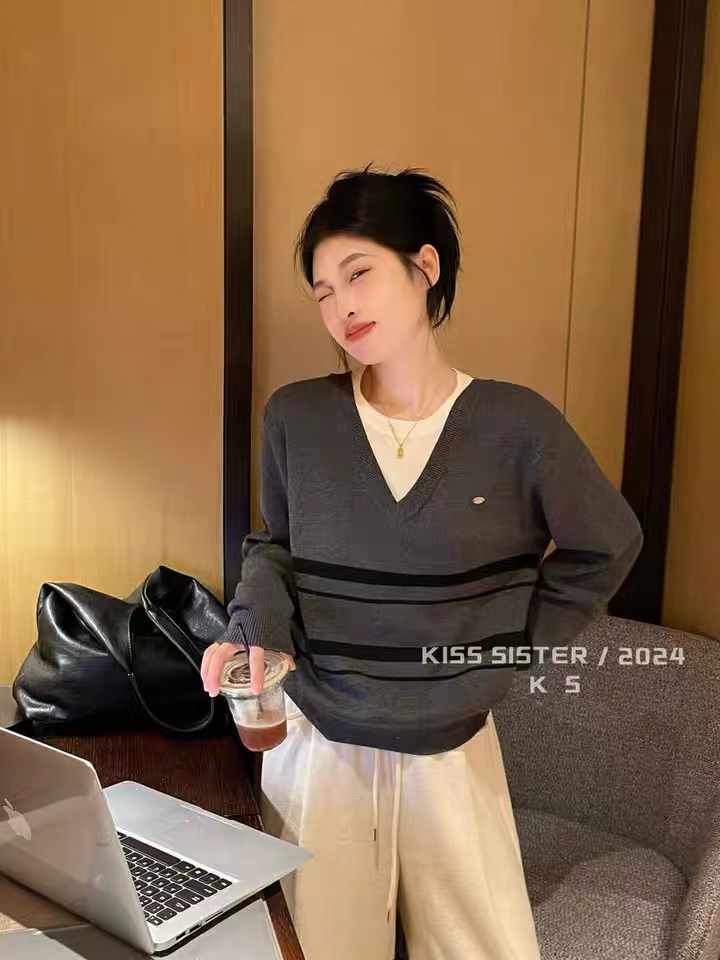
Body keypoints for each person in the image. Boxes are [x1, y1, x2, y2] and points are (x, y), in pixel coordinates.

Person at [201, 164, 644, 960]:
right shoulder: (297, 417)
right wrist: (253, 630)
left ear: (425, 266)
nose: (341, 307)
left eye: (359, 273)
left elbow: (607, 544)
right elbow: (277, 547)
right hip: (320, 741)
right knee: (316, 951)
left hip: (453, 750)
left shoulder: (518, 425)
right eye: (323, 292)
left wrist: (512, 648)